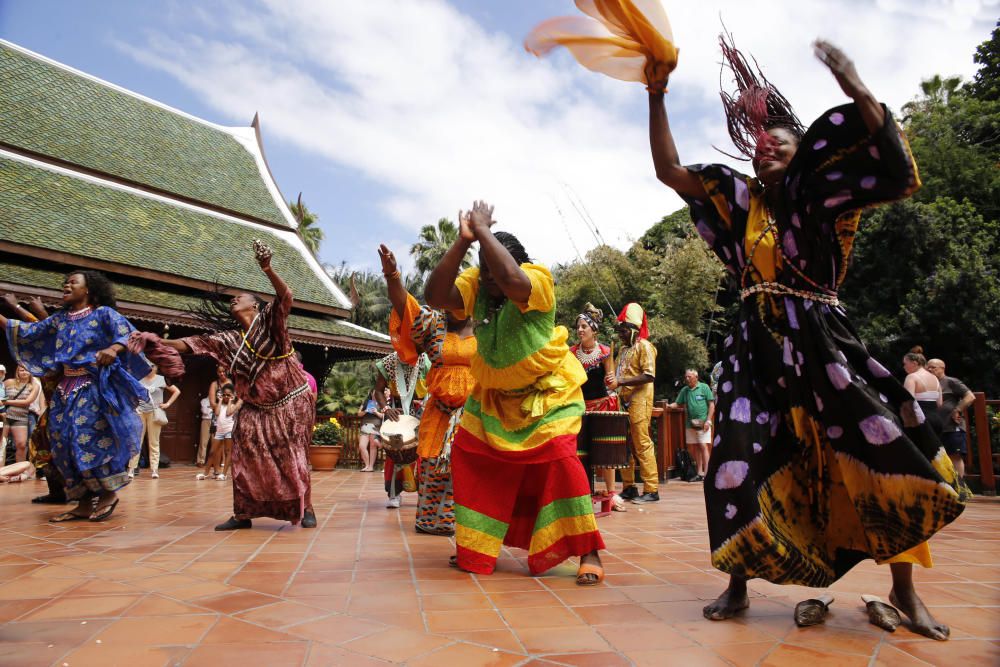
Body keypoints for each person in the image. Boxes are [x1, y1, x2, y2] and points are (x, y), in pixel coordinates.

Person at [645, 32, 966, 638]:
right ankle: (738, 584)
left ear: (803, 152)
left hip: (823, 343)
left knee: (881, 449)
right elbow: (669, 170)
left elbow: (893, 168)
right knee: (735, 459)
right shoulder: (736, 203)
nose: (765, 151)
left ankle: (905, 592)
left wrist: (855, 87)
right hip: (755, 350)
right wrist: (656, 93)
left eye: (779, 143)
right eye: (759, 146)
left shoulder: (825, 197)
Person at [425, 200, 605, 585]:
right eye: (483, 271)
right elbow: (435, 296)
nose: (488, 279)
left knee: (561, 462)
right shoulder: (477, 285)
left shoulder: (537, 279)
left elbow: (511, 281)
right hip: (494, 397)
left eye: (492, 270)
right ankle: (477, 545)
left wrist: (485, 231)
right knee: (467, 456)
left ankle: (589, 551)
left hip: (548, 395)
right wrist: (462, 242)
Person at [155, 241, 317, 530]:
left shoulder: (270, 322)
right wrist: (156, 342)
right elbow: (192, 344)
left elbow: (285, 296)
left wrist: (267, 269)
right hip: (255, 408)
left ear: (254, 304)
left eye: (239, 297)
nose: (233, 300)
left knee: (293, 455)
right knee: (245, 457)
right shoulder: (228, 340)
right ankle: (243, 514)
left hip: (289, 404)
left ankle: (307, 507)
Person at [1, 270, 147, 522]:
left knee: (87, 438)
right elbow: (29, 332)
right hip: (64, 389)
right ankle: (81, 502)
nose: (66, 285)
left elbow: (131, 334)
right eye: (65, 282)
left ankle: (108, 493)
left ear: (88, 289)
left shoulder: (104, 314)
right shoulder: (60, 320)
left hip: (91, 387)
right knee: (62, 442)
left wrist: (113, 348)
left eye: (73, 283)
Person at [380, 243, 476, 536]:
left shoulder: (487, 327)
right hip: (440, 412)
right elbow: (405, 307)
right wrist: (393, 275)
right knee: (435, 466)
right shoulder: (433, 323)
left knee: (472, 468)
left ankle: (473, 525)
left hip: (473, 412)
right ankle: (434, 521)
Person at [1, 294, 67, 503]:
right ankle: (57, 492)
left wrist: (18, 307)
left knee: (68, 453)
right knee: (42, 448)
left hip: (70, 411)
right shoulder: (49, 349)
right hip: (53, 413)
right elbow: (41, 328)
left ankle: (83, 494)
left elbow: (47, 328)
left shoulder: (64, 347)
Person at [571, 303, 626, 511]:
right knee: (580, 451)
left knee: (606, 450)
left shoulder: (604, 351)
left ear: (594, 329)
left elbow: (611, 384)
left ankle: (611, 493)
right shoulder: (572, 352)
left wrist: (612, 379)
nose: (580, 330)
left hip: (602, 405)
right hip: (579, 407)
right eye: (578, 326)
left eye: (584, 326)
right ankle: (582, 491)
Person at [607, 303, 659, 503]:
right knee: (624, 445)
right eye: (619, 330)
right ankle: (629, 487)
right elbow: (618, 374)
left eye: (624, 330)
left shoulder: (645, 346)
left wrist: (620, 382)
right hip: (622, 399)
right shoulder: (623, 349)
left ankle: (652, 489)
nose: (620, 334)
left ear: (635, 330)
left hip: (640, 399)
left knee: (641, 443)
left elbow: (649, 375)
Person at [373, 355, 425, 508]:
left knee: (426, 455)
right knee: (395, 454)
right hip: (397, 414)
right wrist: (386, 409)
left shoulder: (426, 360)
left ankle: (424, 494)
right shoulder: (389, 362)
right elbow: (378, 391)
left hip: (422, 411)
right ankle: (394, 494)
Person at [127, 364, 180, 479]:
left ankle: (154, 469)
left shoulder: (161, 379)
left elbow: (176, 391)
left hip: (154, 412)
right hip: (140, 412)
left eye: (152, 366)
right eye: (147, 366)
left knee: (154, 441)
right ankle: (131, 468)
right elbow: (132, 393)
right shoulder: (139, 378)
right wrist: (134, 406)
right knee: (137, 441)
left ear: (156, 367)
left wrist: (167, 404)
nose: (150, 368)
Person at [926, 358, 975, 481]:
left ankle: (959, 488)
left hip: (952, 426)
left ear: (942, 368)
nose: (930, 369)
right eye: (928, 367)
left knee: (955, 456)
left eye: (933, 367)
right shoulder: (928, 383)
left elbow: (970, 396)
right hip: (934, 428)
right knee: (936, 458)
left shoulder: (951, 381)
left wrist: (957, 409)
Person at [668, 369, 715, 481]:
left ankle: (707, 473)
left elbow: (711, 405)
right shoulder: (685, 390)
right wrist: (668, 406)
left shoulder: (704, 387)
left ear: (696, 377)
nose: (687, 379)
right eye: (686, 377)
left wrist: (708, 421)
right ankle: (699, 473)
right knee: (696, 447)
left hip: (703, 423)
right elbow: (677, 403)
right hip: (690, 424)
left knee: (703, 446)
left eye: (689, 377)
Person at [199, 383, 240, 481]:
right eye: (224, 394)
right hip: (219, 431)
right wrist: (220, 400)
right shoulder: (220, 404)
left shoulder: (234, 405)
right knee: (212, 452)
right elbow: (217, 413)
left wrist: (230, 401)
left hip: (229, 431)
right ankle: (205, 473)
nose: (226, 396)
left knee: (227, 451)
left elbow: (228, 412)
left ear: (232, 396)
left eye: (228, 395)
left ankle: (224, 474)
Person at [2, 364, 41, 463]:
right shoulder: (9, 382)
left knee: (22, 445)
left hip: (21, 418)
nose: (24, 372)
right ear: (17, 372)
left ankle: (19, 470)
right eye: (21, 370)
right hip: (4, 417)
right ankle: (1, 470)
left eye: (26, 370)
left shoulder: (34, 386)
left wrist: (6, 402)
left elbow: (27, 402)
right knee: (2, 444)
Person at [902, 347, 943, 435]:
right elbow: (939, 403)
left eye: (905, 364)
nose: (904, 367)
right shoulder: (935, 378)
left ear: (914, 363)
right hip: (937, 420)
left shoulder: (911, 377)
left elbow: (908, 402)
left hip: (920, 420)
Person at [357, 388, 384, 472]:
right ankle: (367, 465)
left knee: (373, 446)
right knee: (362, 446)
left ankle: (371, 467)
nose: (375, 395)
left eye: (376, 393)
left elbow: (383, 416)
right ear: (371, 394)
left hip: (375, 426)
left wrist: (376, 412)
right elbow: (359, 414)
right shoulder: (366, 402)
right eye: (373, 393)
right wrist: (365, 411)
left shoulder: (382, 403)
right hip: (365, 426)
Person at [197, 395, 214, 467]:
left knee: (215, 442)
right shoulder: (204, 400)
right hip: (206, 421)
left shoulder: (218, 400)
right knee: (203, 442)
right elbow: (205, 411)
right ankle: (201, 461)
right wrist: (213, 408)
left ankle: (213, 461)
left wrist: (211, 408)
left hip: (216, 422)